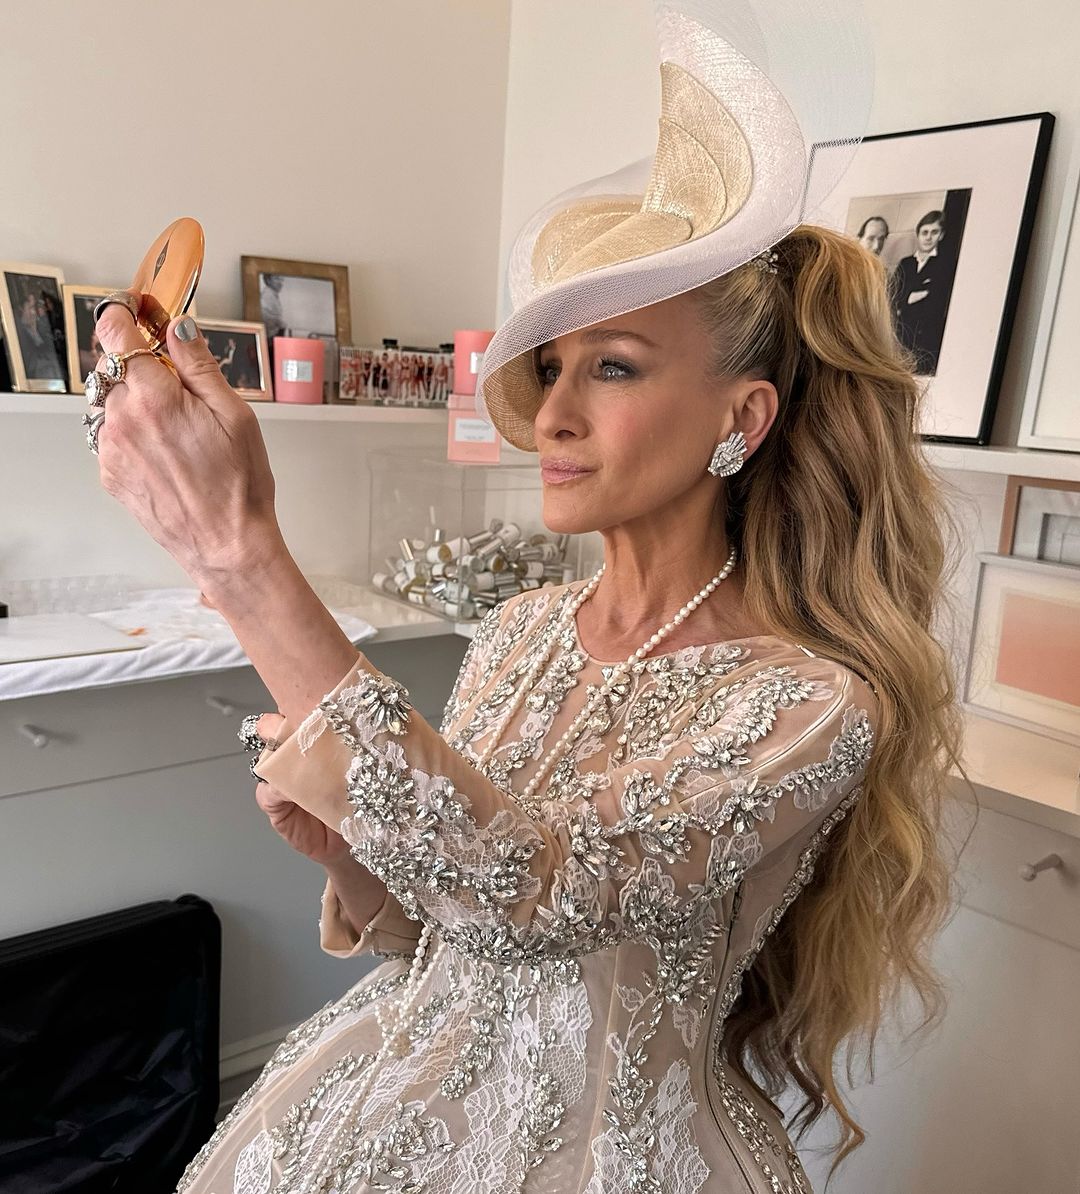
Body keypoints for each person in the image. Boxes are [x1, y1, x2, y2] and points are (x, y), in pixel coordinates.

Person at [85, 3, 969, 1190]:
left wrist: (241, 557)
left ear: (740, 419)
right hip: (386, 1105)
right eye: (551, 367)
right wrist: (352, 860)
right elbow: (443, 931)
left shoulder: (812, 704)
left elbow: (533, 891)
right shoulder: (520, 627)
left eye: (613, 366)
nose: (551, 412)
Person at [889, 210, 950, 374]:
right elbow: (894, 296)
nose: (928, 237)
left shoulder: (946, 264)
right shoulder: (906, 263)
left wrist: (909, 297)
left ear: (941, 235)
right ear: (918, 235)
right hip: (902, 333)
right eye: (925, 232)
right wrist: (913, 295)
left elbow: (938, 298)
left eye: (934, 232)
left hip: (927, 336)